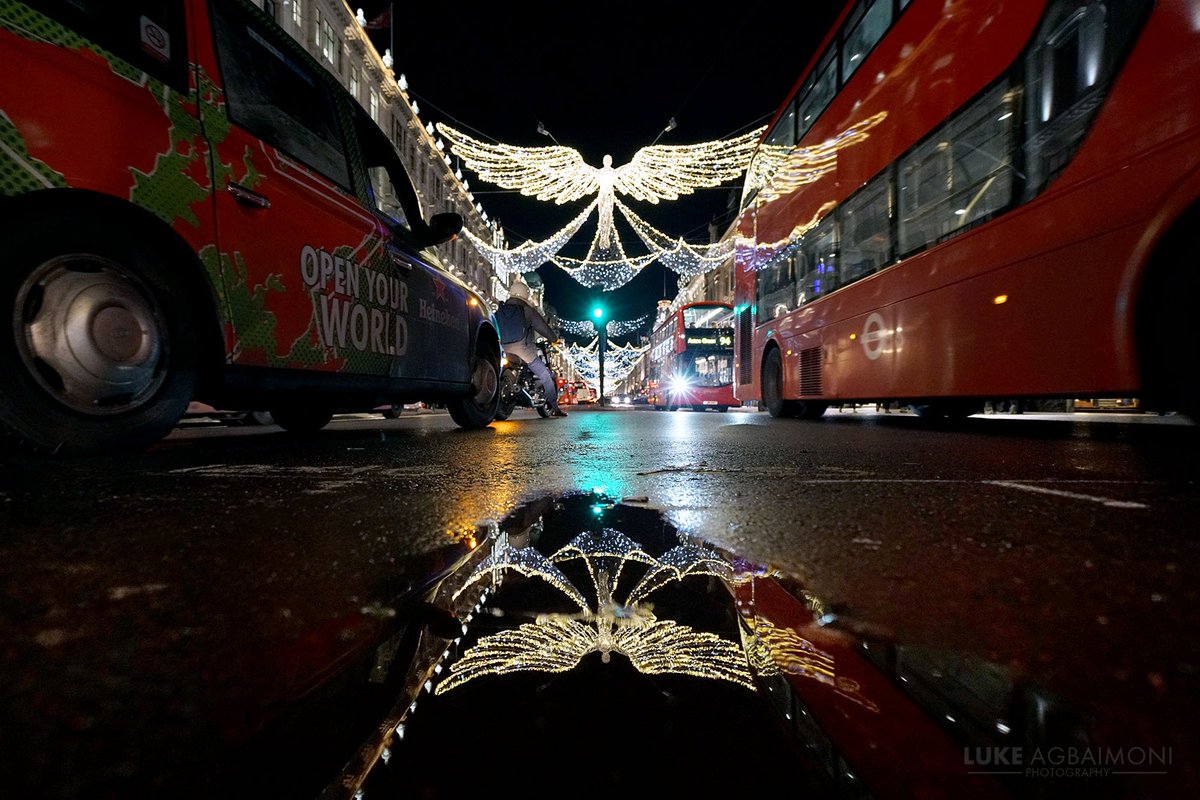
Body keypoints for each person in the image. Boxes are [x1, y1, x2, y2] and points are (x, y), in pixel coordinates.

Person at [496, 280, 567, 417]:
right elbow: (543, 328)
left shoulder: (500, 310)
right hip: (523, 351)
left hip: (502, 349)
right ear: (525, 295)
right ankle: (554, 407)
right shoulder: (527, 310)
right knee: (546, 376)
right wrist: (554, 339)